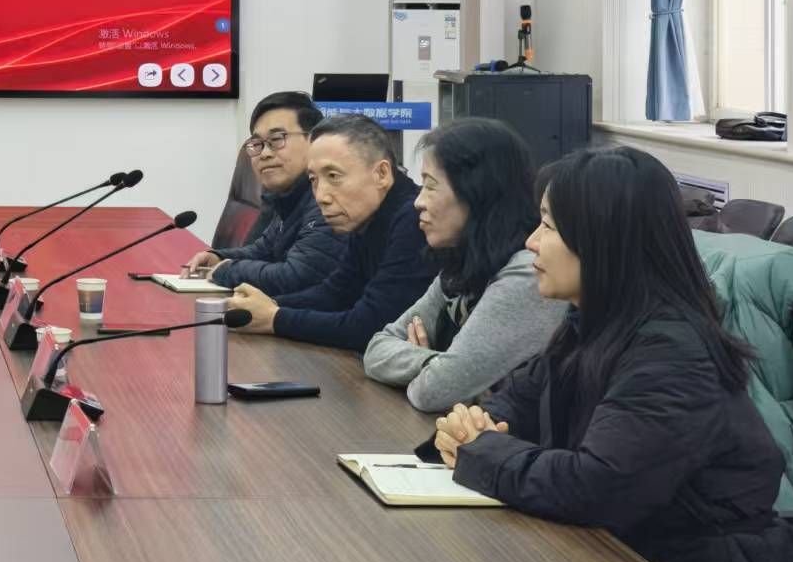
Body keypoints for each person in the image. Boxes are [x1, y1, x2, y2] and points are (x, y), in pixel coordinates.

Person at [435, 145, 793, 562]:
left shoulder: (671, 353)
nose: (531, 241)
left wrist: (482, 448)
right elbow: (510, 406)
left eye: (548, 226)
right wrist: (468, 430)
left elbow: (596, 487)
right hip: (621, 560)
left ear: (602, 240)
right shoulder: (592, 324)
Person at [362, 118, 565, 410]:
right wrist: (435, 363)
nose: (418, 202)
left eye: (430, 186)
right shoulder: (463, 261)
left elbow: (433, 392)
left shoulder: (528, 273)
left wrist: (443, 373)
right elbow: (377, 348)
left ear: (476, 192)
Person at [225, 114, 435, 351]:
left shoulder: (415, 221)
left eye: (333, 176)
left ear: (382, 174)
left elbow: (369, 326)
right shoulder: (367, 216)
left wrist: (275, 318)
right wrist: (267, 305)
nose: (321, 196)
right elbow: (336, 294)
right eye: (313, 180)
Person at [182, 92, 342, 295]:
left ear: (314, 141)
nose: (264, 153)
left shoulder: (327, 200)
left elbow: (296, 276)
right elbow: (263, 250)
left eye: (277, 139)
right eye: (257, 144)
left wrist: (227, 270)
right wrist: (219, 257)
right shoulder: (289, 197)